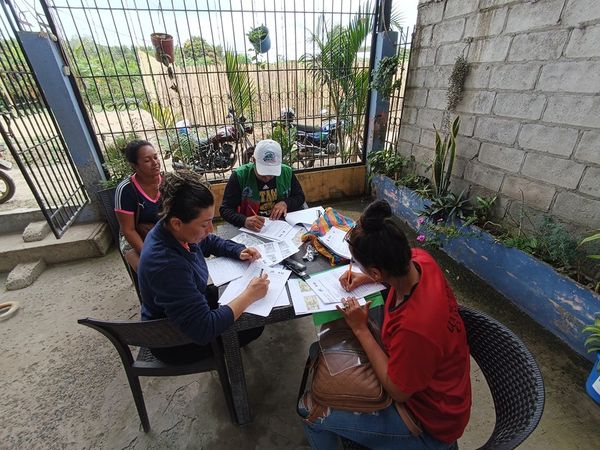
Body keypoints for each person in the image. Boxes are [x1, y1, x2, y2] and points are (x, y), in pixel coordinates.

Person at [300, 200, 471, 449]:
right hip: (440, 389)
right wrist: (365, 277)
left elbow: (398, 391)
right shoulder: (422, 261)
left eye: (359, 265)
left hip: (430, 423)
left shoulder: (414, 328)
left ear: (378, 272)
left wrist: (360, 328)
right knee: (320, 353)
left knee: (310, 411)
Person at [137, 170, 269, 364]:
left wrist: (238, 250)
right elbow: (204, 328)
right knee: (253, 325)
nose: (210, 229)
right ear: (177, 223)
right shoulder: (166, 265)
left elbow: (208, 242)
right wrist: (249, 295)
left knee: (247, 310)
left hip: (191, 306)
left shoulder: (173, 230)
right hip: (173, 340)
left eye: (211, 221)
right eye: (204, 224)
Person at [219, 139, 306, 231]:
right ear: (254, 161)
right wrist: (244, 220)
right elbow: (225, 209)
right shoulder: (240, 176)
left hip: (282, 227)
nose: (267, 178)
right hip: (251, 230)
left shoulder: (286, 173)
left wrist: (286, 203)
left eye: (272, 172)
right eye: (263, 173)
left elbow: (300, 197)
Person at [114, 139, 162, 272]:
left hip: (165, 232)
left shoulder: (168, 182)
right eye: (147, 160)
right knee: (148, 271)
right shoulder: (126, 190)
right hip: (136, 237)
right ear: (134, 165)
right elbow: (128, 230)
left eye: (155, 157)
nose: (155, 163)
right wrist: (148, 255)